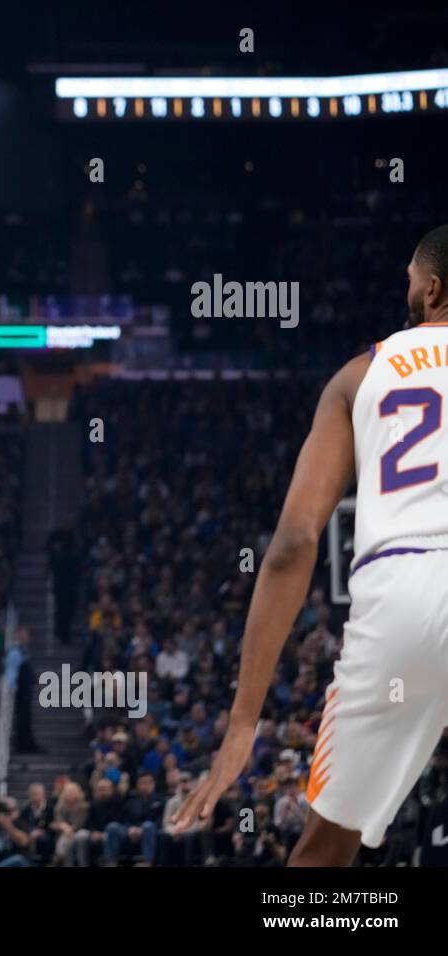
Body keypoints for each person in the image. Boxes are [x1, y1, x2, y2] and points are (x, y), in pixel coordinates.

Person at [177, 225, 448, 865]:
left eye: (410, 277)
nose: (404, 287)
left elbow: (294, 543)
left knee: (324, 854)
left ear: (433, 289)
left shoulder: (360, 374)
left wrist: (243, 722)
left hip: (400, 594)